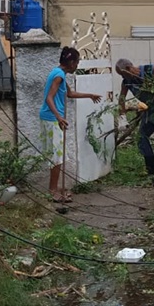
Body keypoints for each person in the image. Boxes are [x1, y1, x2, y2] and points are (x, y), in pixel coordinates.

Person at [40, 47, 101, 203]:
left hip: (51, 118)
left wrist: (90, 95)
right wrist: (59, 117)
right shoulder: (59, 76)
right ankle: (52, 190)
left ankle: (54, 188)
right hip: (52, 119)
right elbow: (49, 98)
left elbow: (69, 94)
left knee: (57, 155)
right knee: (57, 156)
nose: (77, 65)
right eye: (77, 62)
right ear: (71, 62)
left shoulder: (59, 73)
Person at [115, 58, 154, 182]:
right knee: (142, 137)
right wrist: (122, 117)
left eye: (123, 74)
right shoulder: (126, 82)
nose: (123, 77)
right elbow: (121, 98)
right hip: (148, 110)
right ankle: (151, 168)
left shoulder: (148, 70)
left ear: (128, 68)